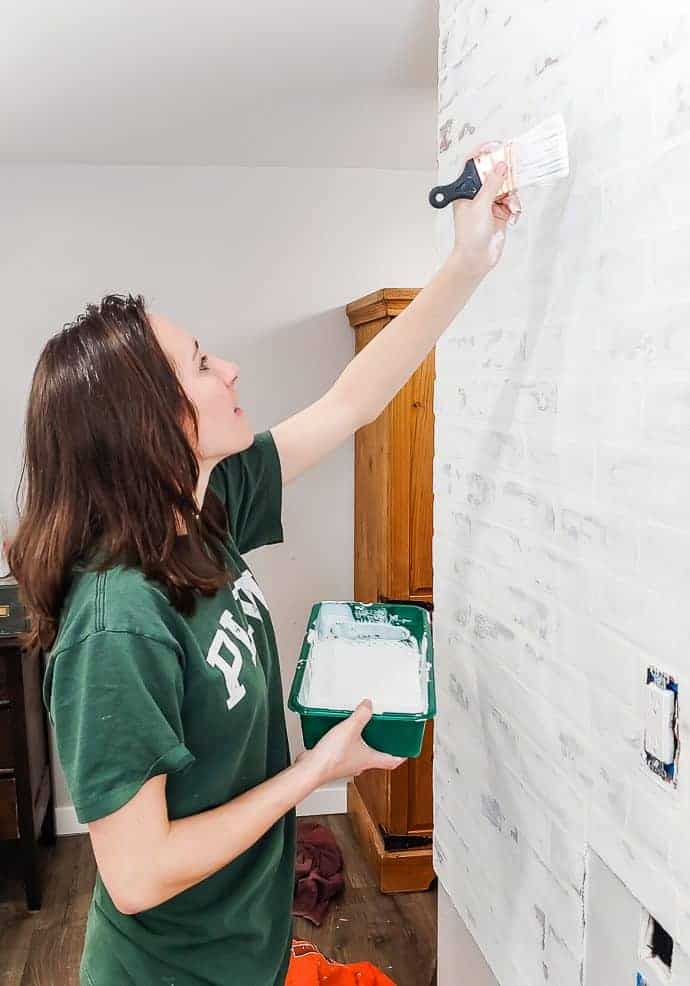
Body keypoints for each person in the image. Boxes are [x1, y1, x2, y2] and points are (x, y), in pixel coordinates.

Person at [9, 148, 519, 986]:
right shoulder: (118, 622)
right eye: (203, 364)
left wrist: (468, 261)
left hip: (252, 944)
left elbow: (354, 399)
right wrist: (317, 772)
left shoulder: (205, 506)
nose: (231, 369)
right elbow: (136, 878)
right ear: (148, 426)